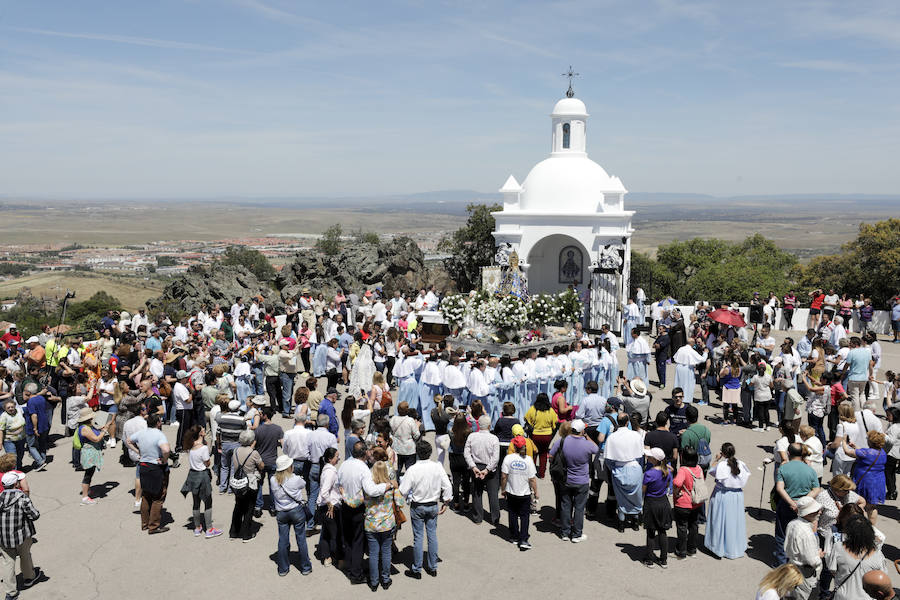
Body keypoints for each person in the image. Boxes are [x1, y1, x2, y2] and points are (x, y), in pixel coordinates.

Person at [338, 440, 392, 585]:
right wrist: (386, 485)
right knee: (358, 541)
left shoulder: (344, 464)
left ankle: (351, 568)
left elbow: (339, 483)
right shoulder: (363, 469)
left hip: (345, 506)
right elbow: (371, 490)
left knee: (348, 540)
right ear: (364, 453)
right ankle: (356, 574)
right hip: (358, 509)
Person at [399, 439, 452, 577]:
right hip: (432, 505)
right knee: (432, 535)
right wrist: (446, 502)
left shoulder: (412, 469)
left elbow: (403, 490)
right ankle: (432, 567)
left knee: (418, 537)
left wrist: (401, 503)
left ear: (417, 453)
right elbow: (447, 486)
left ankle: (416, 569)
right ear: (430, 453)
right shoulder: (437, 467)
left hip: (418, 506)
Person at [550, 418, 598, 541]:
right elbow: (596, 449)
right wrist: (587, 437)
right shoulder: (586, 444)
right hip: (582, 481)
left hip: (565, 479)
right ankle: (576, 534)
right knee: (579, 508)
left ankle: (565, 532)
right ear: (582, 431)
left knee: (565, 506)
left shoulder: (562, 441)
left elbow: (551, 455)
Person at [774, 443, 821, 565]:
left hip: (786, 504)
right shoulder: (810, 470)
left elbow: (780, 488)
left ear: (788, 454)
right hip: (806, 507)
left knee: (782, 534)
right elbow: (816, 489)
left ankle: (781, 565)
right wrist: (803, 501)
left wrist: (792, 502)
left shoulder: (783, 468)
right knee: (803, 531)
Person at [126, 413, 172, 534]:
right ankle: (154, 526)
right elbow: (166, 449)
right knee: (158, 497)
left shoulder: (142, 433)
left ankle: (145, 523)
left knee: (146, 495)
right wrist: (165, 459)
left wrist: (138, 452)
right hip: (156, 468)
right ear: (157, 423)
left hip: (143, 466)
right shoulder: (159, 434)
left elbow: (128, 440)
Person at [270, 454, 313, 577]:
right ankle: (305, 567)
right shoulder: (295, 479)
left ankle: (283, 568)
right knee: (301, 539)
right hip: (296, 510)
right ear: (289, 467)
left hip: (281, 512)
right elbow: (303, 484)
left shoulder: (273, 480)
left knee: (283, 540)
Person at [0, 471, 41, 598]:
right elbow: (34, 515)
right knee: (25, 556)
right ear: (16, 484)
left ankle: (10, 592)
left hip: (3, 536)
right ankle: (29, 578)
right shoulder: (22, 497)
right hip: (22, 535)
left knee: (7, 562)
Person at [826, 514, 886, 600]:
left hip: (843, 596)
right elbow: (882, 577)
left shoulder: (838, 547)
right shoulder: (877, 554)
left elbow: (832, 569)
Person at [364, 460, 403, 590]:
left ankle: (374, 582)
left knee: (373, 554)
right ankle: (385, 580)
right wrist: (396, 488)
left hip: (371, 525)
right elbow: (401, 503)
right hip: (387, 524)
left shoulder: (368, 488)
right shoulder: (391, 487)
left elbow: (356, 501)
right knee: (386, 552)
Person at [179, 425, 222, 538]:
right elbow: (207, 463)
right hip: (202, 475)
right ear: (200, 434)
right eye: (203, 430)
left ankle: (197, 527)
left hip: (192, 475)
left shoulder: (190, 446)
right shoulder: (203, 448)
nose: (204, 431)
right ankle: (209, 529)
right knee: (208, 502)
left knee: (196, 502)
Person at [500, 436, 538, 550]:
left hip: (511, 491)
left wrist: (503, 489)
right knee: (525, 516)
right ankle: (523, 539)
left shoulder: (508, 458)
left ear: (514, 446)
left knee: (512, 514)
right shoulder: (528, 460)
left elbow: (503, 476)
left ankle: (514, 536)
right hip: (525, 493)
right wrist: (536, 492)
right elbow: (532, 479)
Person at [842, 430, 887, 524]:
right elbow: (867, 453)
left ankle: (859, 525)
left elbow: (847, 452)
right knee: (872, 507)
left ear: (871, 442)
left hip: (865, 482)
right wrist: (855, 447)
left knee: (859, 504)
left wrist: (843, 440)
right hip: (878, 482)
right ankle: (871, 527)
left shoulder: (865, 453)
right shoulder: (882, 452)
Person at [464, 415, 501, 526]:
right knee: (493, 493)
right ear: (489, 426)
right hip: (490, 469)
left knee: (477, 493)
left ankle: (478, 517)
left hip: (476, 466)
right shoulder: (494, 438)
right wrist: (488, 469)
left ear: (479, 425)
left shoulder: (472, 436)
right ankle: (495, 518)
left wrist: (473, 467)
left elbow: (466, 453)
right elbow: (496, 457)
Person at [784, 497, 823, 600]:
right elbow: (812, 561)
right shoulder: (807, 533)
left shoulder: (792, 523)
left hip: (792, 567)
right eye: (816, 511)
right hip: (805, 573)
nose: (820, 512)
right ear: (808, 513)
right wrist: (819, 556)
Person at [228, 429, 264, 542]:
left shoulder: (236, 450)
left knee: (238, 506)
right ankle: (246, 534)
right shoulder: (254, 453)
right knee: (249, 508)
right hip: (250, 482)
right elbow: (261, 466)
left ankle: (233, 532)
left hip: (238, 481)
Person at [641, 447, 672, 568]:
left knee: (650, 532)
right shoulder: (667, 471)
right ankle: (663, 560)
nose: (647, 457)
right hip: (663, 502)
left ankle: (649, 559)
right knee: (662, 531)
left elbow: (643, 490)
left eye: (649, 456)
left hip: (651, 503)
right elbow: (668, 484)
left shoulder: (649, 474)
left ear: (654, 459)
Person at [672, 445, 704, 559]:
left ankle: (681, 551)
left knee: (682, 526)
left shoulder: (683, 470)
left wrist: (675, 492)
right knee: (693, 525)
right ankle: (692, 549)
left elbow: (677, 483)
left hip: (683, 503)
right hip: (696, 502)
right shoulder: (699, 468)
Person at [73, 406, 110, 505]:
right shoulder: (85, 429)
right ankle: (85, 497)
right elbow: (96, 439)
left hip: (91, 452)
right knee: (88, 474)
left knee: (90, 473)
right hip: (88, 454)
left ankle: (87, 491)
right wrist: (104, 430)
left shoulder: (88, 426)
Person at [253, 407, 284, 517]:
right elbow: (283, 444)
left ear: (265, 416)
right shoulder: (278, 429)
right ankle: (273, 507)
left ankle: (258, 507)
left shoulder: (258, 430)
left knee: (259, 484)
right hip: (272, 461)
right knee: (273, 485)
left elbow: (253, 445)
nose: (260, 415)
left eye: (261, 414)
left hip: (260, 461)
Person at [315, 447, 342, 566]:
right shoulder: (330, 472)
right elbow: (324, 492)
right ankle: (336, 557)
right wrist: (330, 506)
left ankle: (326, 557)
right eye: (337, 456)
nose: (339, 458)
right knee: (335, 534)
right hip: (329, 507)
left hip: (324, 506)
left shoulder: (327, 469)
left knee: (326, 533)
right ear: (330, 459)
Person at [524, 392, 558, 478]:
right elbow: (555, 423)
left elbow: (526, 418)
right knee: (543, 454)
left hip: (535, 434)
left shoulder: (533, 409)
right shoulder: (550, 410)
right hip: (547, 435)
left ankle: (532, 472)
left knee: (534, 453)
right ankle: (542, 474)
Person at [680, 405, 712, 474]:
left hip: (692, 468)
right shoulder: (706, 430)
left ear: (686, 417)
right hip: (704, 464)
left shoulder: (686, 434)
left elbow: (684, 453)